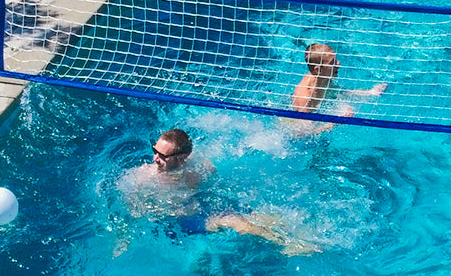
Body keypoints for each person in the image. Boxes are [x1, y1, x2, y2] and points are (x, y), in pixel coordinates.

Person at [118, 128, 318, 255]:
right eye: (154, 151)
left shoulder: (197, 166)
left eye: (162, 155)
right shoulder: (144, 177)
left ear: (182, 158)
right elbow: (131, 206)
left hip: (203, 202)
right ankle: (286, 244)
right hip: (184, 218)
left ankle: (309, 236)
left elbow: (213, 176)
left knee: (258, 215)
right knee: (233, 221)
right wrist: (124, 237)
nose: (155, 158)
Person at [287, 43, 386, 134]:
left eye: (335, 59)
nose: (338, 63)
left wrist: (369, 92)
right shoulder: (305, 97)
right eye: (332, 62)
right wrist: (337, 121)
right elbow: (305, 134)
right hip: (293, 128)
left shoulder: (325, 76)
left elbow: (336, 91)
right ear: (318, 70)